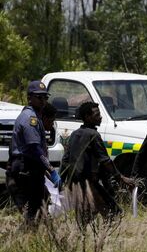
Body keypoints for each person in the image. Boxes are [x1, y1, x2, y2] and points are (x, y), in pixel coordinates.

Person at [60, 102, 134, 219]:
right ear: (87, 117)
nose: (100, 117)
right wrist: (121, 177)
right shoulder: (93, 135)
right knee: (113, 213)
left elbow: (65, 160)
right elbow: (105, 161)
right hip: (89, 183)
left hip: (75, 183)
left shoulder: (74, 134)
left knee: (85, 215)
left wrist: (62, 181)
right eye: (97, 115)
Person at [8, 80, 61, 224]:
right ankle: (27, 241)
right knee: (33, 213)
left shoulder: (35, 116)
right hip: (25, 169)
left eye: (45, 97)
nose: (43, 101)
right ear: (29, 98)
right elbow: (35, 149)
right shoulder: (30, 119)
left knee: (41, 208)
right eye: (39, 97)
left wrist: (48, 173)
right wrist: (52, 170)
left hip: (31, 168)